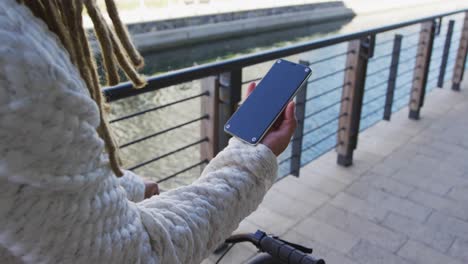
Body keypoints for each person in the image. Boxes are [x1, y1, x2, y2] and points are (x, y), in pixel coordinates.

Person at [0, 0, 297, 263]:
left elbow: (27, 185)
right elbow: (142, 255)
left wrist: (128, 186)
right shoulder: (19, 59)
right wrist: (251, 160)